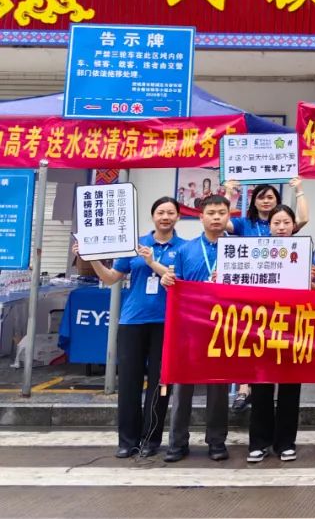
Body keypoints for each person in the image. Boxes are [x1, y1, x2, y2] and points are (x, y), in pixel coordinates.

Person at [75, 196, 182, 458]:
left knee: (160, 384)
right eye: (160, 212)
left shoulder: (184, 248)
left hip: (166, 322)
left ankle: (151, 440)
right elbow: (112, 278)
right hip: (132, 321)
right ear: (153, 216)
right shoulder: (134, 245)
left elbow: (180, 281)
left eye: (170, 212)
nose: (165, 217)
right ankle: (127, 441)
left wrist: (152, 262)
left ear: (178, 217)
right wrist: (93, 259)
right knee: (129, 382)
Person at [161, 195, 232, 463]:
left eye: (221, 213)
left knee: (219, 387)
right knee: (183, 386)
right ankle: (177, 443)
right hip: (189, 327)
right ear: (201, 217)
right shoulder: (185, 250)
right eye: (211, 213)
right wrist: (168, 281)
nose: (216, 217)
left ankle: (217, 441)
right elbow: (175, 287)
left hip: (223, 327)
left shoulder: (240, 249)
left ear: (228, 217)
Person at [247, 205, 305, 463]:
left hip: (293, 326)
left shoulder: (305, 250)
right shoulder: (255, 251)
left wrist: (314, 278)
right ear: (268, 226)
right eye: (276, 223)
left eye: (286, 222)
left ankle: (286, 443)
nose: (281, 227)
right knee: (261, 385)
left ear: (294, 225)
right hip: (262, 327)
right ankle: (259, 442)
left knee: (290, 386)